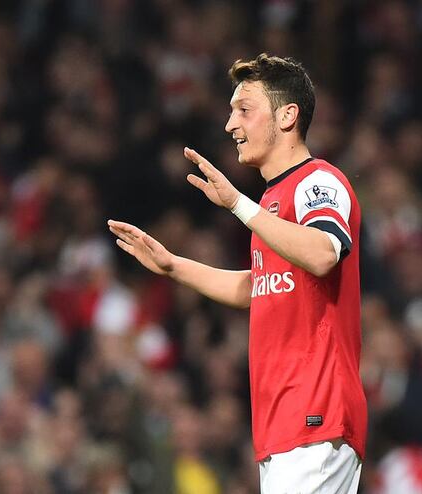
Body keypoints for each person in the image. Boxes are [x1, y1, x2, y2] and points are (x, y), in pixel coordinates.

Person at [109, 54, 366, 493]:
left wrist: (237, 206)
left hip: (314, 410)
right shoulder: (272, 201)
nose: (230, 124)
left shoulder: (317, 181)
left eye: (244, 109)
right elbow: (257, 287)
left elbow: (325, 252)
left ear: (288, 115)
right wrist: (174, 265)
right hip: (285, 422)